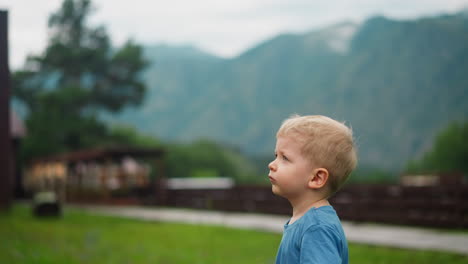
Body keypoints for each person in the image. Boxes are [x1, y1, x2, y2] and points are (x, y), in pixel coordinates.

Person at [268, 114, 357, 264]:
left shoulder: (317, 228)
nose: (272, 164)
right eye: (276, 155)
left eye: (285, 158)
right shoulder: (306, 221)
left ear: (316, 178)